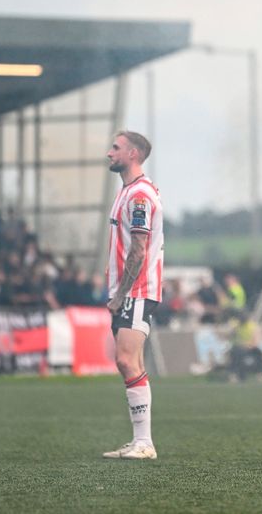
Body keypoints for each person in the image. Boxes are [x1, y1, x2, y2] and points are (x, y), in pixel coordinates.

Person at [101, 131, 164, 461]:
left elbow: (138, 250)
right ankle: (141, 441)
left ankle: (144, 442)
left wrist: (120, 294)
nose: (109, 152)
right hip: (129, 291)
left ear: (134, 154)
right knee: (130, 361)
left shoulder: (139, 195)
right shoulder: (128, 191)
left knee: (126, 360)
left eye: (116, 147)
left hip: (137, 291)